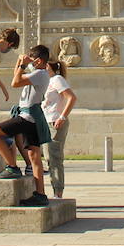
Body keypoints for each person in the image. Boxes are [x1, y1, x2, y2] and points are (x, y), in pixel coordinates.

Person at [0, 44, 53, 207]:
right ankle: (40, 193)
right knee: (34, 157)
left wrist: (23, 65)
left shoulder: (39, 74)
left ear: (39, 61)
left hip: (27, 117)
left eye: (32, 58)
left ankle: (12, 166)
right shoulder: (39, 73)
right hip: (32, 117)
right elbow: (15, 77)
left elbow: (15, 83)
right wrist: (20, 63)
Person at [42, 60, 77, 199]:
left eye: (46, 67)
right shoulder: (48, 81)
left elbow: (71, 97)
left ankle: (58, 192)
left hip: (55, 122)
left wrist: (62, 116)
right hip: (47, 121)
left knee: (54, 157)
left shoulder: (57, 79)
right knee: (49, 157)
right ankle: (54, 189)